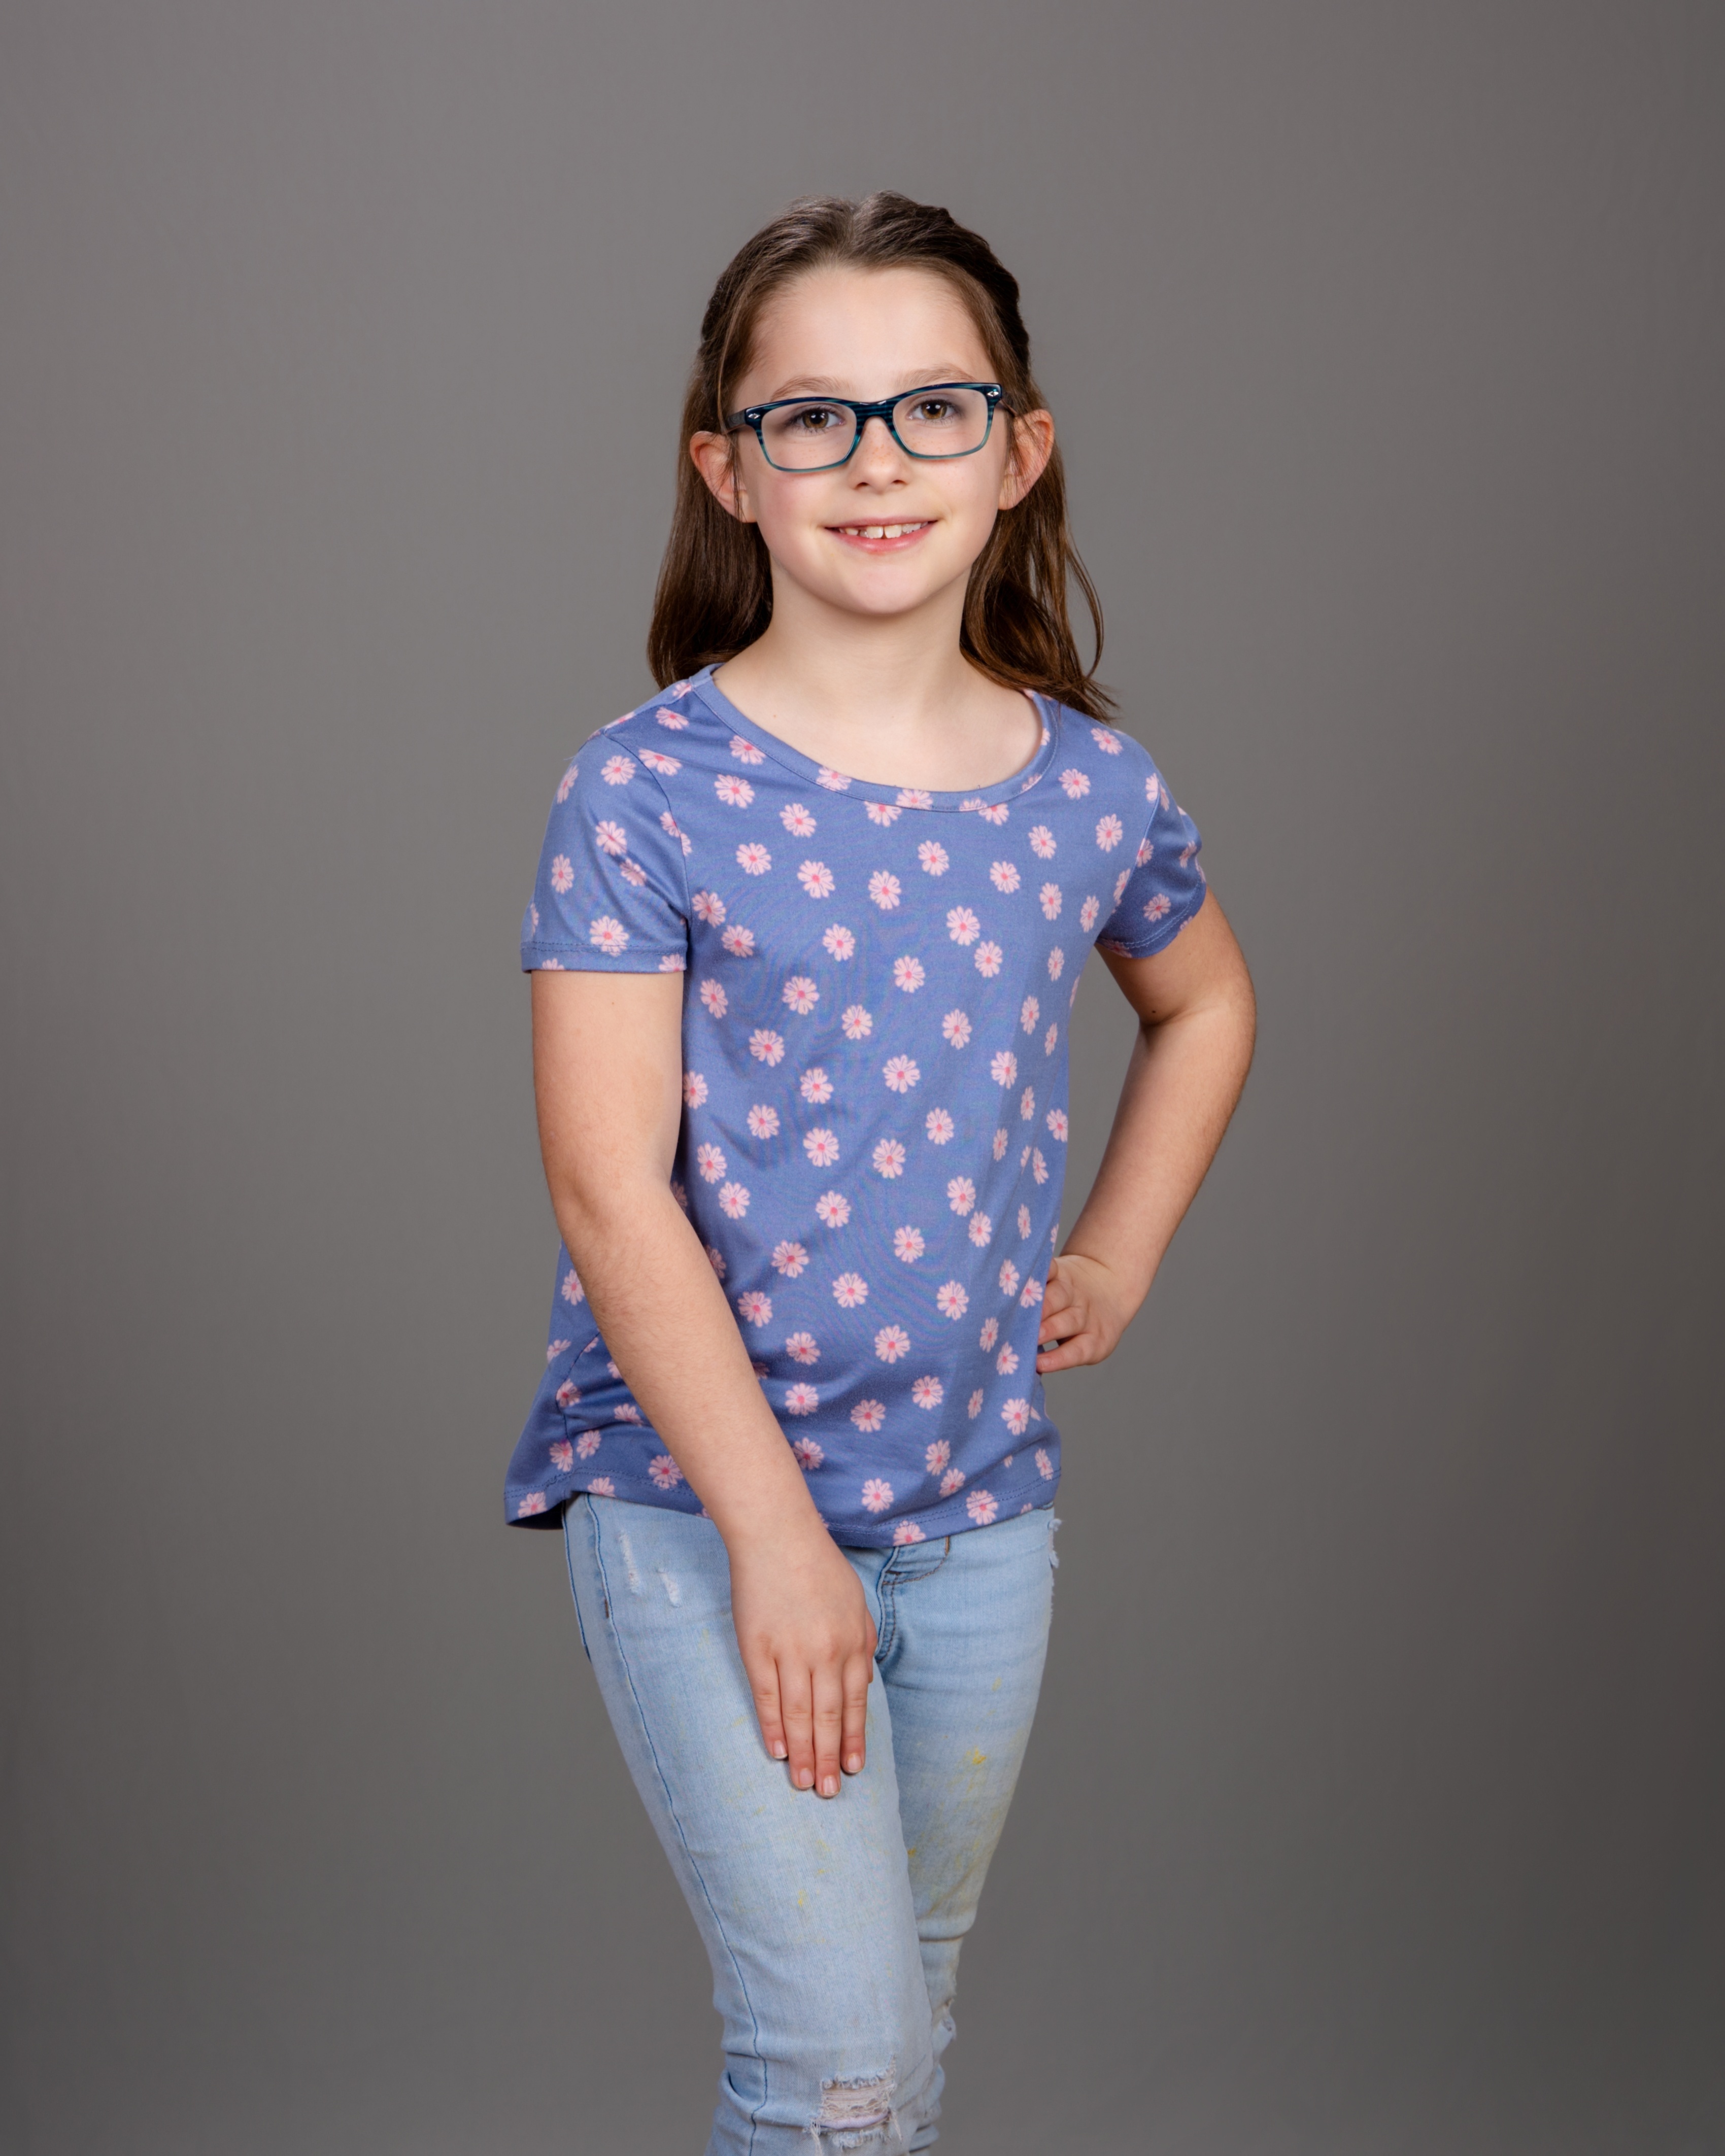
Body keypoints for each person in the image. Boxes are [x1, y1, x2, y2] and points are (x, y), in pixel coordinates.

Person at [506, 192, 1257, 2153]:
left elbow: (1205, 1004)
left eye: (934, 408)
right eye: (812, 418)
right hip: (700, 1503)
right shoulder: (646, 790)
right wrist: (777, 1541)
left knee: (903, 2032)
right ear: (728, 472)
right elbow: (608, 1188)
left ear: (1018, 453)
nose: (875, 460)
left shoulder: (1090, 784)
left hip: (976, 1504)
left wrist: (1118, 1253)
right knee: (834, 2060)